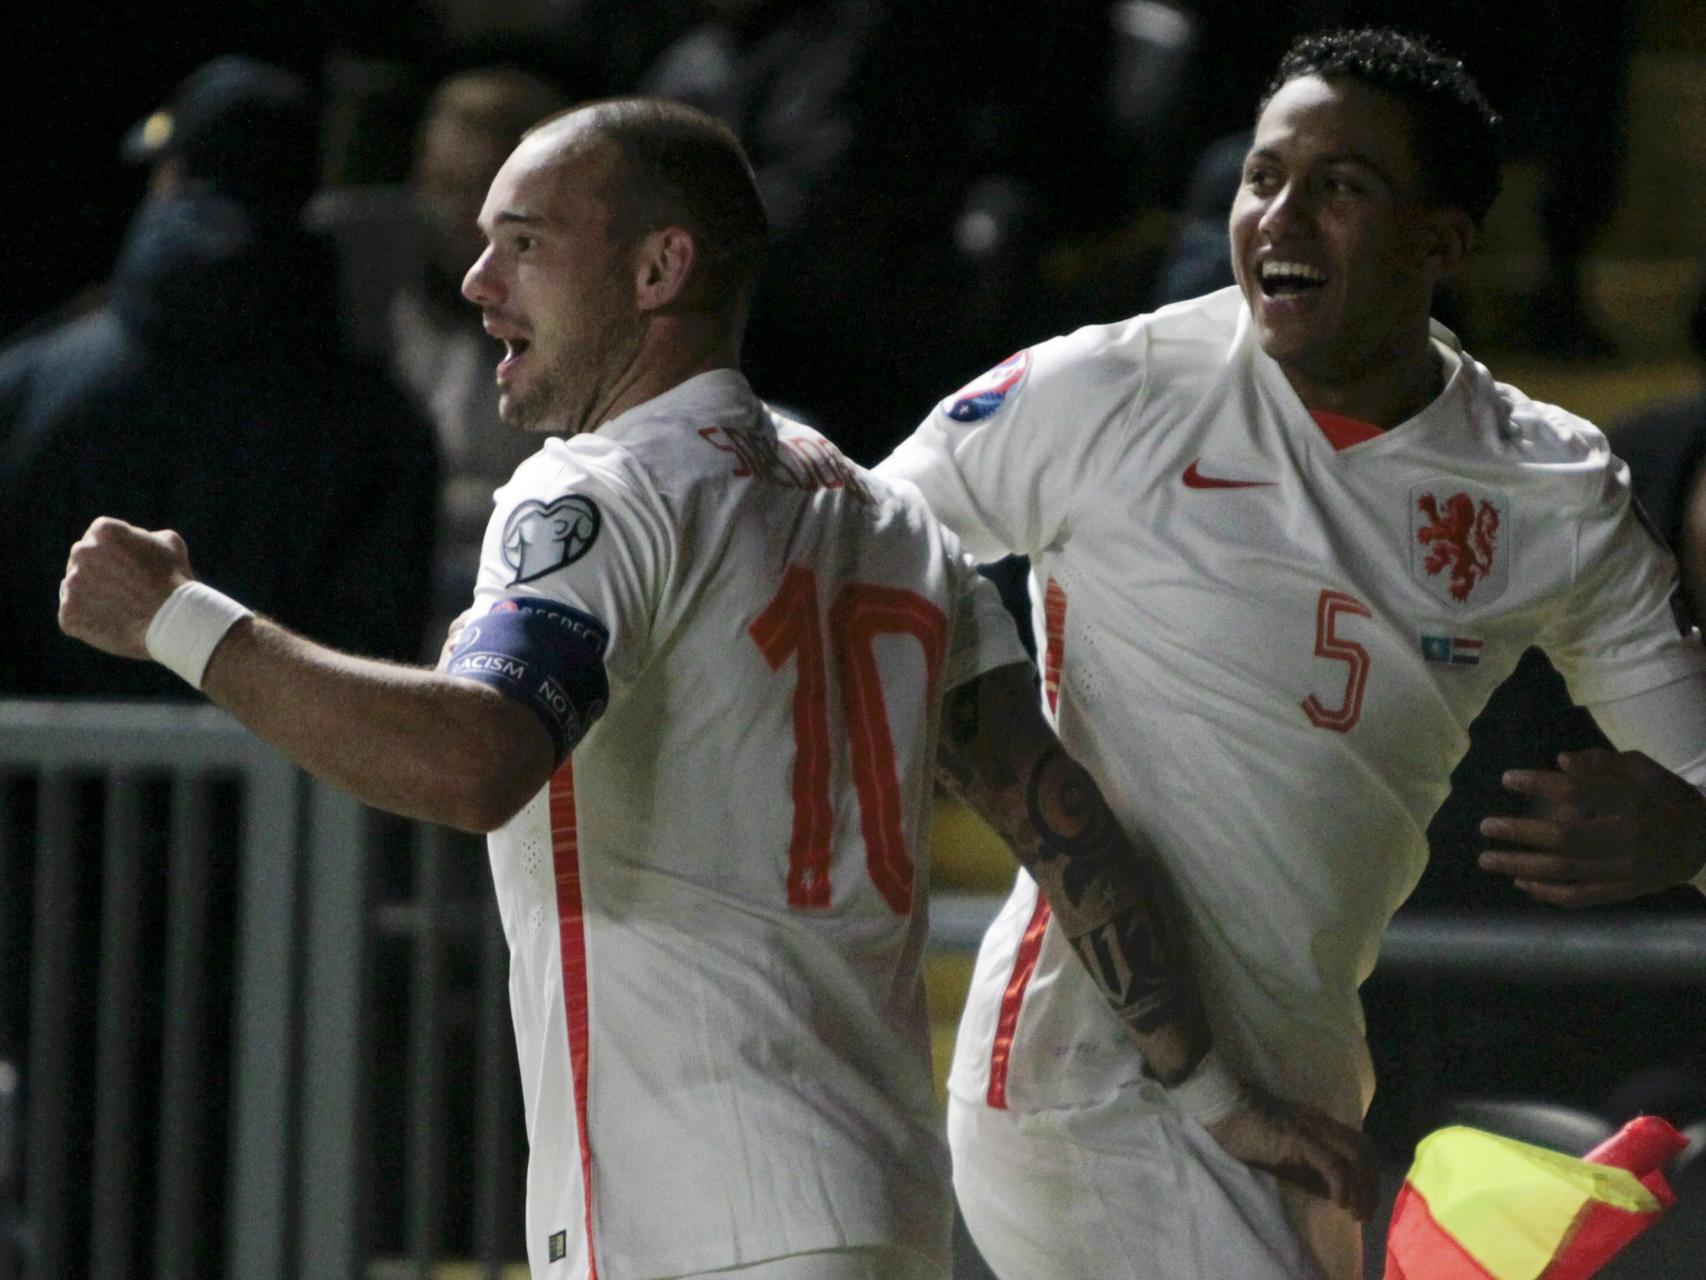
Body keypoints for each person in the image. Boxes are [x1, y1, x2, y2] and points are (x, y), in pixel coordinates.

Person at [55, 97, 1374, 1279]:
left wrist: (183, 623)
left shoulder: (597, 491)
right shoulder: (890, 515)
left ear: (657, 267)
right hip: (877, 1210)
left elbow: (474, 762)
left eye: (522, 243)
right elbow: (1058, 817)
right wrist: (1206, 1091)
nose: (475, 280)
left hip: (695, 1224)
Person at [877, 28, 1706, 1280]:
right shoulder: (1114, 391)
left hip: (1303, 1080)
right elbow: (855, 560)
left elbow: (1692, 770)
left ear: (1443, 239)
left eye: (1340, 186)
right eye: (1262, 177)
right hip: (1087, 1070)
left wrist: (1687, 833)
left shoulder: (1546, 486)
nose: (1278, 215)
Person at [0, 55, 438, 697]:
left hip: (46, 785)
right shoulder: (379, 420)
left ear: (172, 175)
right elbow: (379, 642)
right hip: (290, 790)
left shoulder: (27, 384)